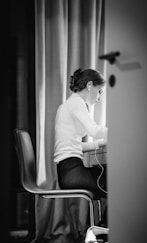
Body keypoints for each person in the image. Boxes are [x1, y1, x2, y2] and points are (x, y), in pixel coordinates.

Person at [54, 68, 108, 226]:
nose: (99, 98)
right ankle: (102, 237)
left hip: (69, 170)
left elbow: (74, 145)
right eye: (100, 91)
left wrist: (99, 144)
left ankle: (102, 235)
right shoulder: (76, 103)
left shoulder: (70, 103)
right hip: (72, 172)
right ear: (90, 85)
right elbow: (94, 130)